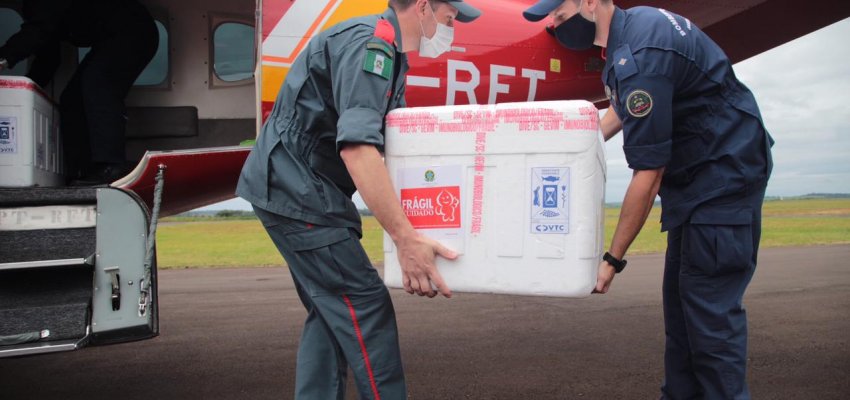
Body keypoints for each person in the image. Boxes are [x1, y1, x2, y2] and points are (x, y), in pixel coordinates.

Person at [523, 1, 774, 399]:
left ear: (590, 3)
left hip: (721, 184)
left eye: (560, 14)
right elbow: (622, 109)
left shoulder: (640, 56)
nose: (554, 24)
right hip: (698, 185)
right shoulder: (633, 33)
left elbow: (648, 173)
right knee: (682, 315)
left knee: (710, 326)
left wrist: (612, 260)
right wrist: (569, 146)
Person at [236, 1, 481, 398]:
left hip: (297, 188)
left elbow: (391, 151)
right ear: (423, 7)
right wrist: (405, 239)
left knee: (331, 312)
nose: (451, 29)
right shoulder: (373, 47)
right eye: (450, 18)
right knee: (365, 304)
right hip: (299, 191)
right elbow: (358, 149)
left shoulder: (388, 53)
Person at [0, 0, 158, 185]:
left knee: (97, 83)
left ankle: (111, 166)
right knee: (71, 100)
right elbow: (48, 58)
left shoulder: (42, 5)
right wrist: (23, 89)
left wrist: (4, 58)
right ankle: (81, 170)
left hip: (133, 29)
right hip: (109, 39)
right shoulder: (37, 12)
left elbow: (36, 32)